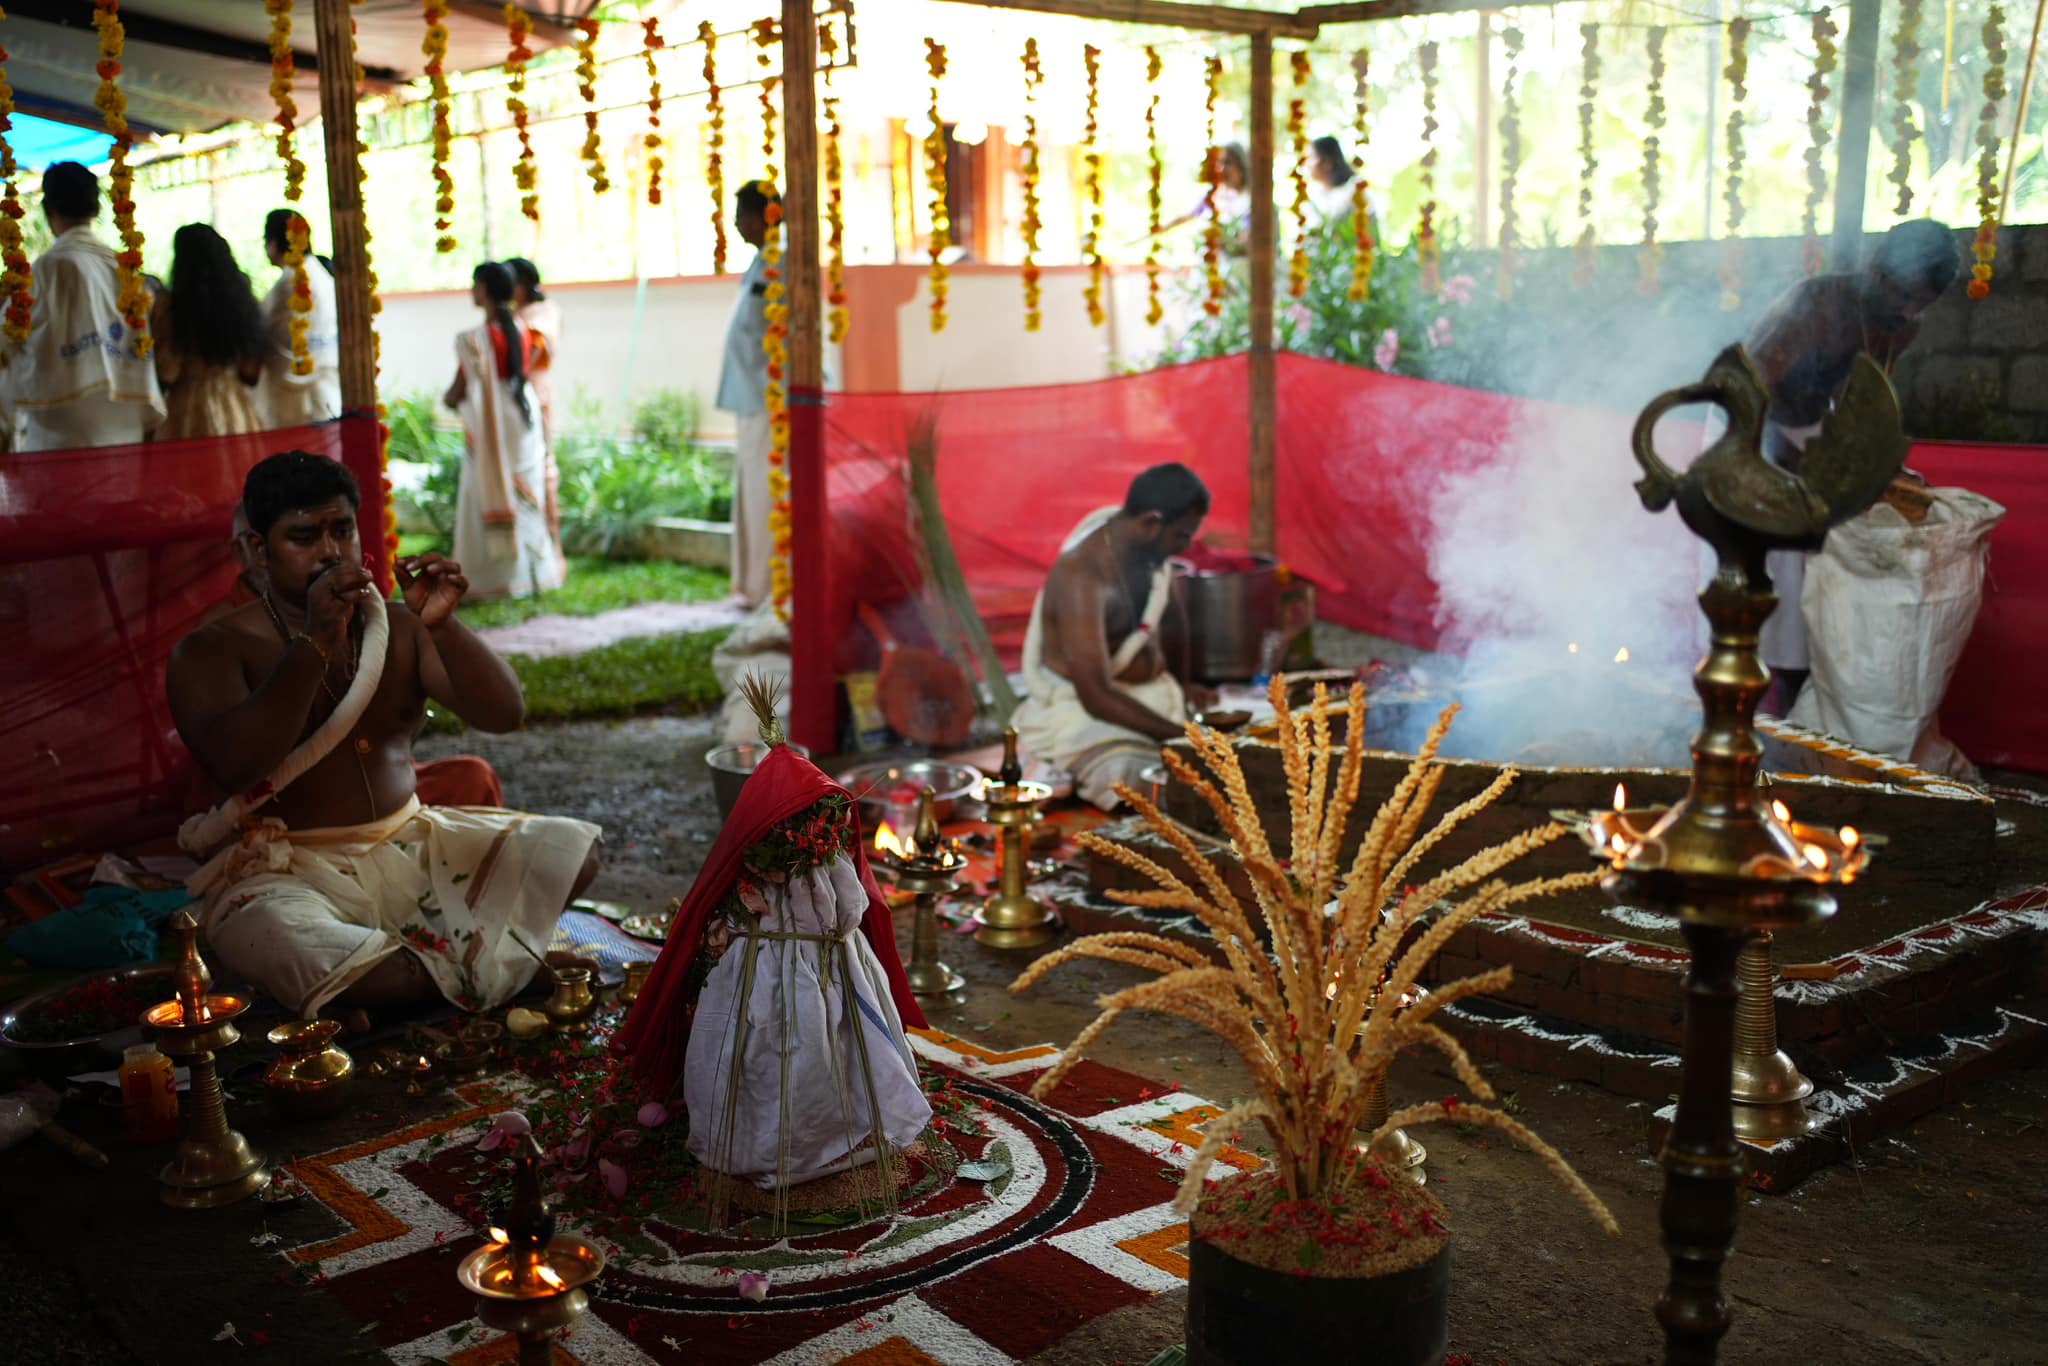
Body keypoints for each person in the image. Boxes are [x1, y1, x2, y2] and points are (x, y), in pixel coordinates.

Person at [167, 452, 600, 1023]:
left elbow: (505, 713)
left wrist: (443, 625)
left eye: (341, 531)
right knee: (302, 945)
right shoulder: (211, 649)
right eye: (303, 536)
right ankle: (498, 967)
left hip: (412, 845)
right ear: (256, 549)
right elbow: (235, 765)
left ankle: (419, 975)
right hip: (289, 872)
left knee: (576, 853)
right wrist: (315, 644)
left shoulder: (398, 627)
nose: (329, 552)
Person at [612, 686, 926, 1214]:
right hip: (763, 976)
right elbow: (851, 908)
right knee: (773, 1058)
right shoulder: (752, 887)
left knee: (832, 1052)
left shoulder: (829, 870)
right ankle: (775, 1146)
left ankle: (833, 1136)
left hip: (831, 969)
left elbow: (853, 910)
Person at [1742, 219, 1963, 710]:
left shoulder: (1904, 325)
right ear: (1879, 269)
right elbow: (1749, 391)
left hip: (1812, 440)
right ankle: (1755, 712)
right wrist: (1787, 471)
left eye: (1920, 303)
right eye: (1903, 295)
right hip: (1753, 435)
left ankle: (1802, 710)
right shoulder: (1817, 305)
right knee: (1771, 582)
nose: (1908, 311)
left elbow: (1868, 400)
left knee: (1816, 584)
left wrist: (1875, 467)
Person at [1013, 464, 1215, 810]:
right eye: (1181, 535)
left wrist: (1184, 686)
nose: (1185, 547)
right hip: (1082, 707)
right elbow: (1094, 694)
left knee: (1251, 730)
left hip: (1151, 695)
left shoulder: (1148, 556)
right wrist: (1182, 737)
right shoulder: (1083, 576)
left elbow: (1171, 621)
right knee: (1130, 771)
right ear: (1152, 523)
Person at [0, 161, 164, 450]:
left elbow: (8, 336)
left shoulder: (47, 269)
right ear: (97, 209)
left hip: (62, 424)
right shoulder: (126, 270)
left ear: (49, 211)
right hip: (124, 420)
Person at [443, 261, 564, 599]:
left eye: (475, 284)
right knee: (527, 493)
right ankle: (534, 576)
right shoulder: (526, 330)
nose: (472, 290)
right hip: (521, 417)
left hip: (492, 422)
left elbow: (460, 389)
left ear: (485, 290)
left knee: (483, 490)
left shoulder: (474, 340)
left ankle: (489, 580)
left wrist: (449, 400)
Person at [716, 181, 778, 609]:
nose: (738, 227)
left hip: (774, 399)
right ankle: (754, 586)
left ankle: (774, 587)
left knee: (769, 496)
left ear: (762, 218)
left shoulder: (784, 261)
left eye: (742, 217)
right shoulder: (760, 262)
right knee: (754, 494)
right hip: (752, 399)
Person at [149, 224, 264, 441]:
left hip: (187, 414)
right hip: (236, 411)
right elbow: (251, 372)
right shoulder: (241, 303)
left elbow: (168, 371)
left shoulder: (171, 308)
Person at [255, 208, 342, 429]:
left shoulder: (289, 282)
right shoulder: (323, 275)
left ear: (273, 244)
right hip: (327, 393)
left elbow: (264, 335)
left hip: (297, 401)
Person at [506, 257, 563, 555]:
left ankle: (551, 545)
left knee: (541, 466)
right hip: (508, 398)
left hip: (533, 396)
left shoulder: (543, 312)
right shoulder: (514, 314)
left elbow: (533, 353)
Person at [1159, 143, 1250, 237]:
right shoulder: (1215, 196)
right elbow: (1187, 217)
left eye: (1228, 162)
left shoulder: (1254, 198)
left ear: (1240, 164)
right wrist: (1159, 229)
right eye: (1220, 163)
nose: (1222, 169)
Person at [1309, 135, 1358, 221]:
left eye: (1311, 157)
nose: (1307, 164)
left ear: (1328, 162)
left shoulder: (1355, 189)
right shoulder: (1314, 195)